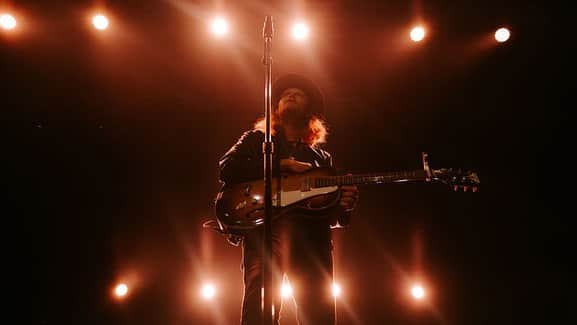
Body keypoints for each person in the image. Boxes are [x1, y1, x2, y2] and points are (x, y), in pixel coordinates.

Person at [217, 73, 359, 324]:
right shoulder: (256, 140)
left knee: (318, 311)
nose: (290, 95)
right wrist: (279, 164)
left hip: (311, 240)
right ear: (276, 108)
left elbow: (333, 214)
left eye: (298, 93)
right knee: (260, 305)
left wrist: (344, 204)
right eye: (284, 94)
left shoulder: (321, 158)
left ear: (310, 111)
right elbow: (227, 168)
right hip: (265, 234)